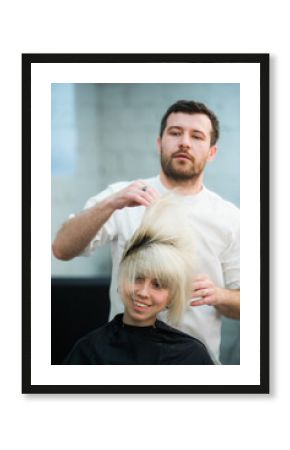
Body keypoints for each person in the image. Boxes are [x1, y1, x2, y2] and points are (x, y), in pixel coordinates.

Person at [53, 100, 240, 364]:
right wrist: (111, 204)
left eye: (196, 136)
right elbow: (61, 249)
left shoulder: (230, 218)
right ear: (159, 142)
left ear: (211, 152)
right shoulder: (122, 197)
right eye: (175, 133)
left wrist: (219, 295)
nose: (184, 142)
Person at [63, 193, 214, 365]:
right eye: (137, 278)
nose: (143, 292)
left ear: (171, 296)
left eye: (157, 285)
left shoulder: (190, 355)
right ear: (121, 279)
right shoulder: (90, 351)